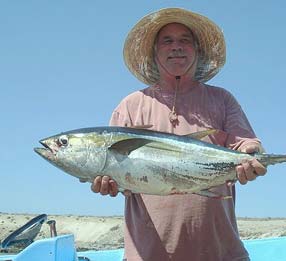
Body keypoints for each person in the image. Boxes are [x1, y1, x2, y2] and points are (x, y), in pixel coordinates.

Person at [91, 8, 267, 261]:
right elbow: (117, 176)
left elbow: (246, 144)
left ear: (197, 51)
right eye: (167, 41)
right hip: (148, 254)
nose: (177, 47)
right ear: (154, 52)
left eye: (185, 40)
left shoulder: (222, 99)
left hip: (220, 253)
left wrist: (253, 155)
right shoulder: (130, 105)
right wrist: (109, 184)